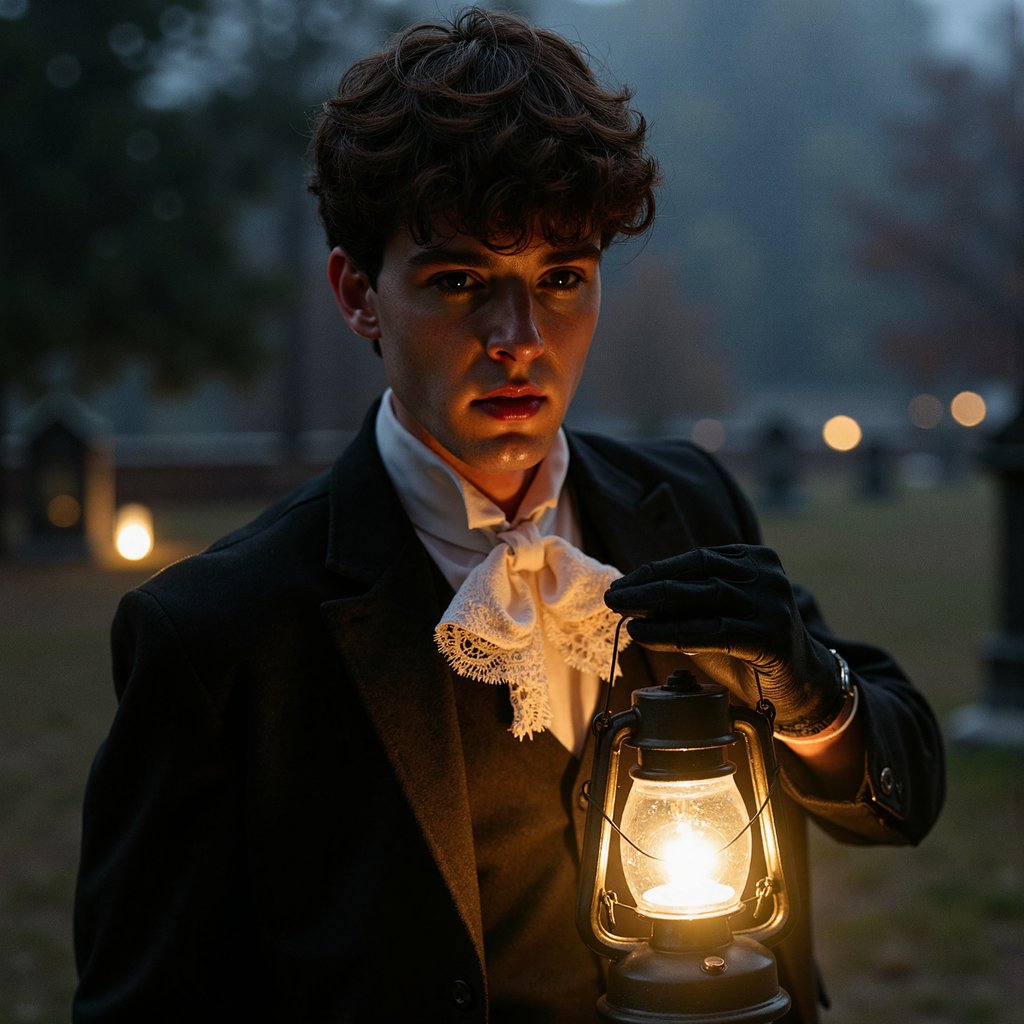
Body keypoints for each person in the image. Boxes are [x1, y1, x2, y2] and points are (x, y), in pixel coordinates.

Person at [72, 8, 945, 1023]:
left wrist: (808, 690)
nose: (519, 337)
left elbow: (903, 798)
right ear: (357, 294)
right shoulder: (219, 632)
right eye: (460, 281)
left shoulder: (688, 504)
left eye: (562, 277)